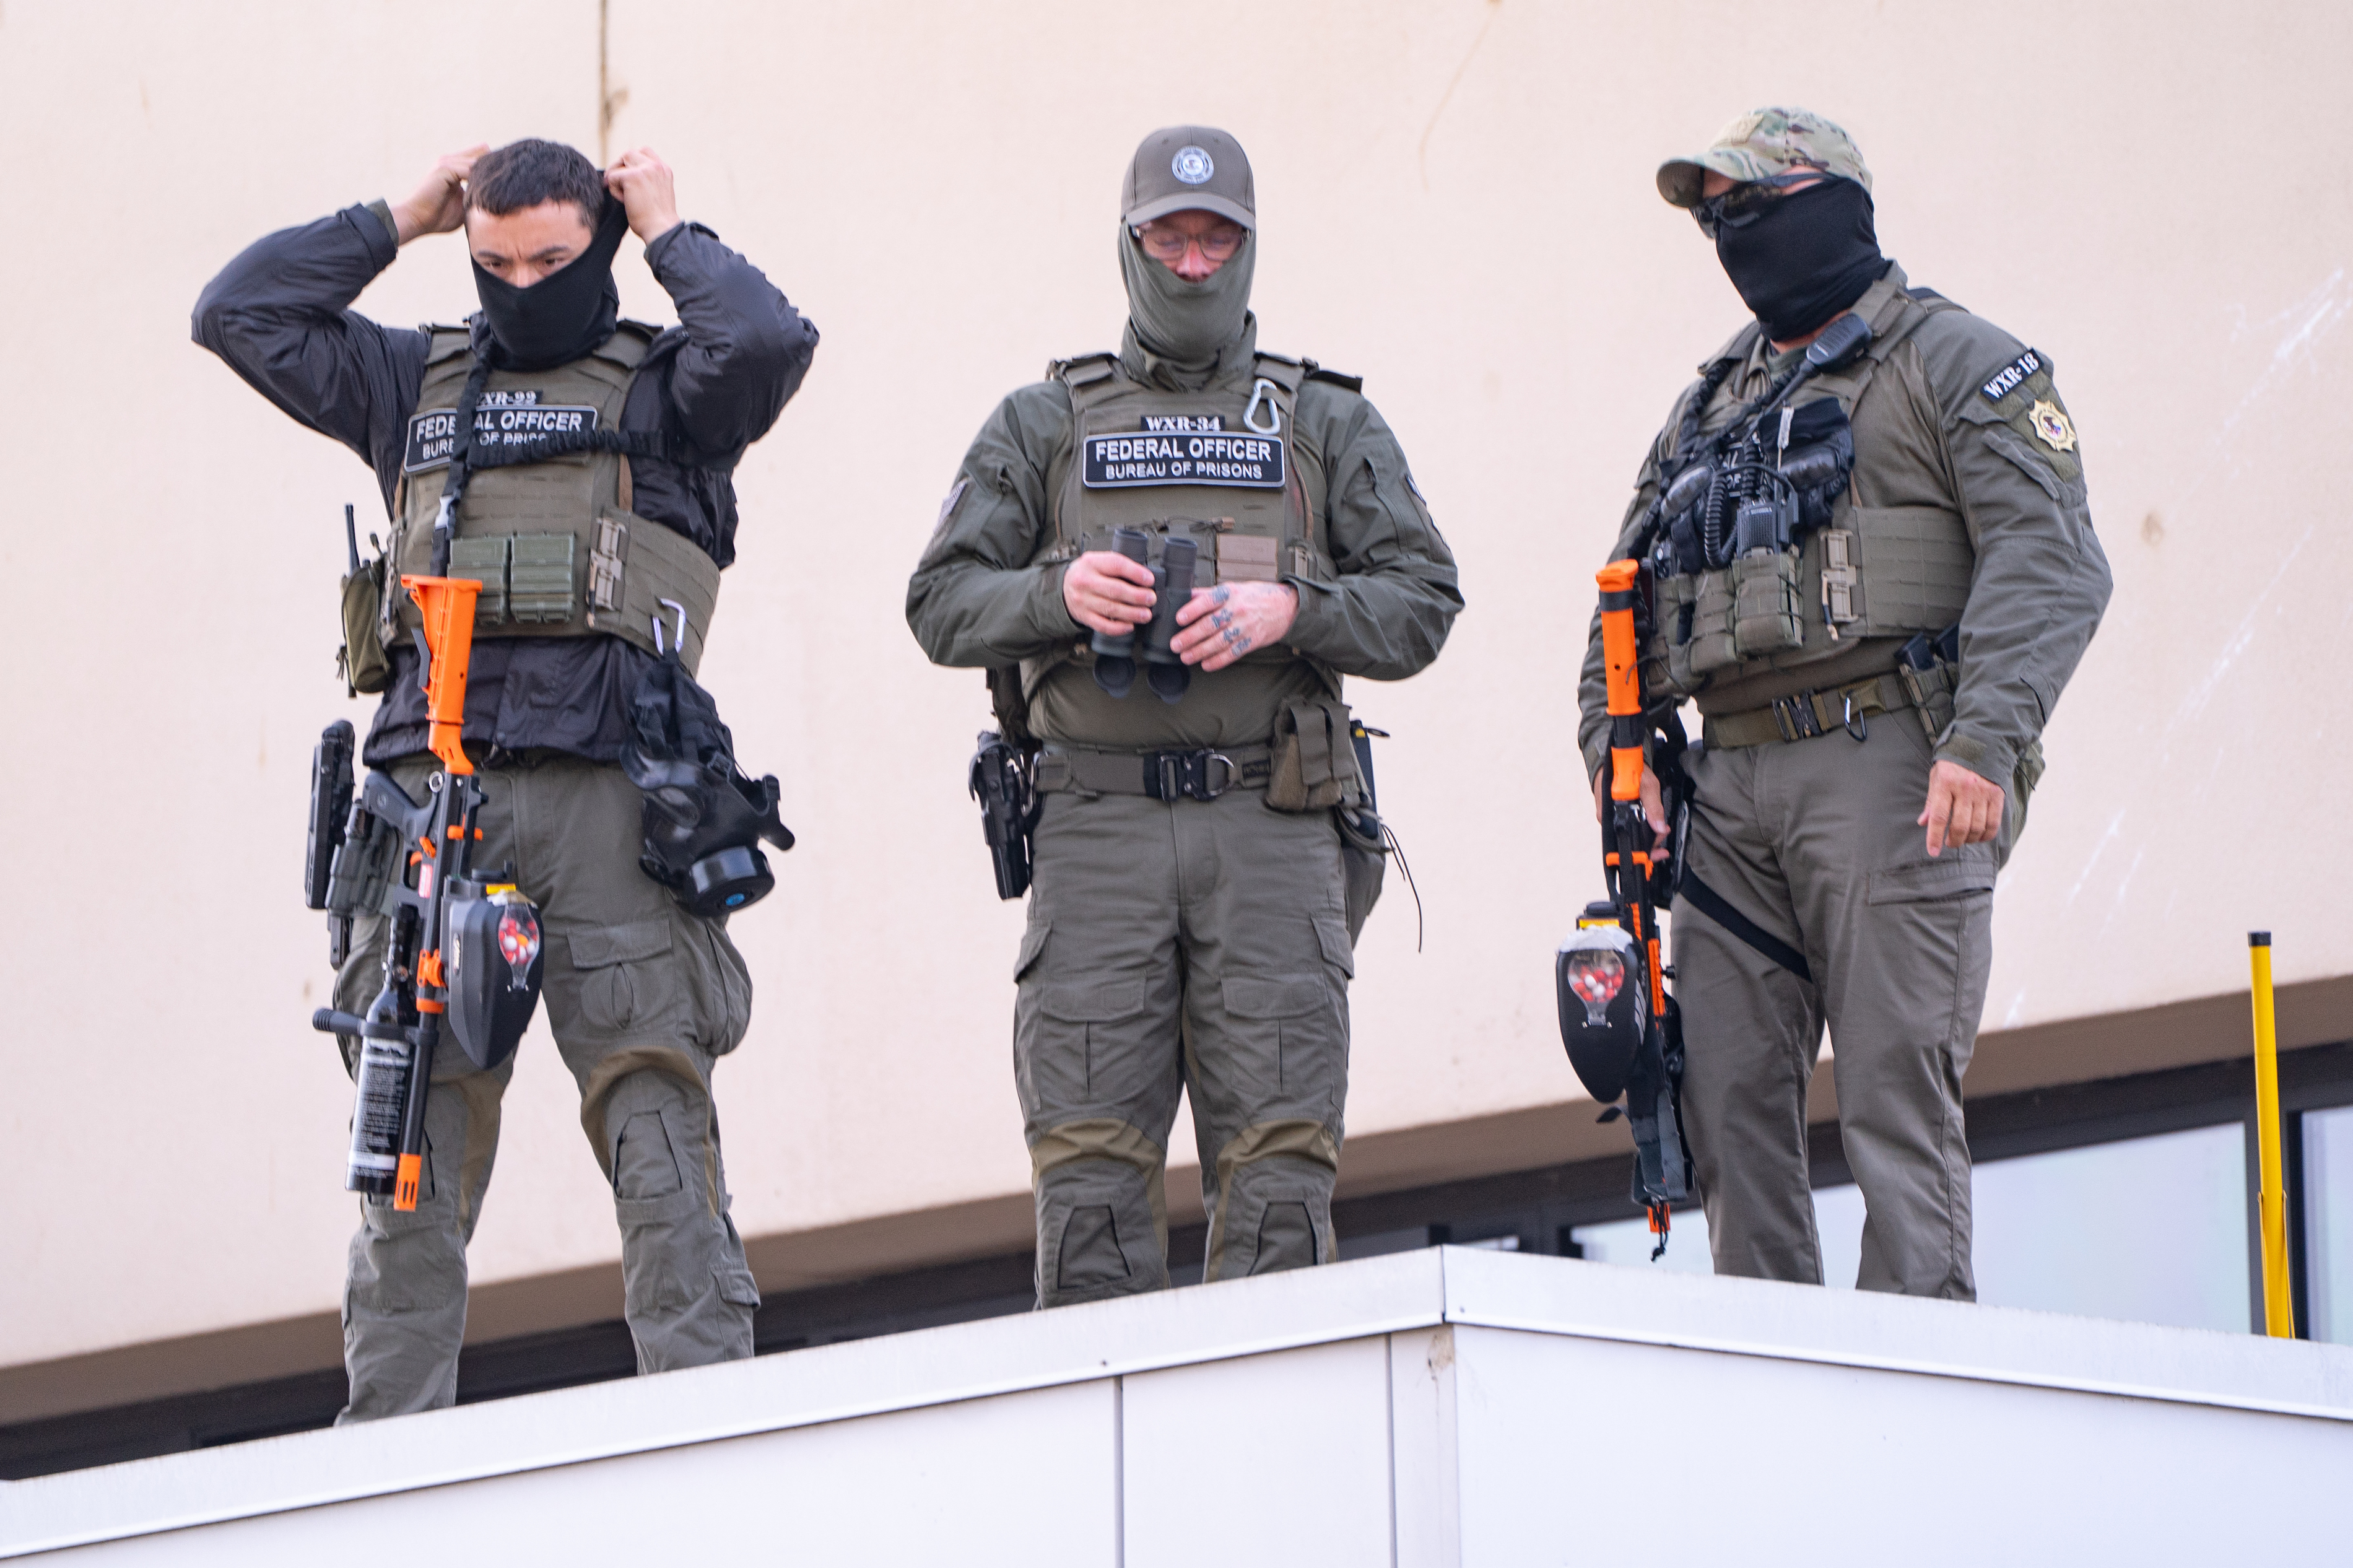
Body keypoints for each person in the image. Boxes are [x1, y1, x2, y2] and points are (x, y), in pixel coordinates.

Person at [194, 139, 817, 1418]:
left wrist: (668, 233)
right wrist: (399, 216)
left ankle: (708, 1429)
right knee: (406, 1142)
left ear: (596, 239)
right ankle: (387, 1457)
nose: (522, 285)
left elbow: (763, 340)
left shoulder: (673, 385)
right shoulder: (407, 379)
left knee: (657, 1117)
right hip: (434, 806)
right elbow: (237, 313)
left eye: (551, 258)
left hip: (616, 801)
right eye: (494, 264)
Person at [908, 126, 1461, 1306]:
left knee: (1278, 1177)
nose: (1195, 263)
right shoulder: (1042, 423)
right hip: (1093, 831)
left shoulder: (1324, 424)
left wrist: (1288, 610)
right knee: (1091, 1182)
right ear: (1131, 245)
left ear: (1250, 250)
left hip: (1273, 825)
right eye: (1173, 236)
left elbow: (1424, 605)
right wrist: (1055, 594)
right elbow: (938, 604)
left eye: (1218, 239)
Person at [1578, 108, 2111, 1297]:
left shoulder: (1957, 362)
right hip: (1728, 789)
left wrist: (1985, 738)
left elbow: (2054, 558)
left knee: (1892, 1103)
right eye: (1718, 215)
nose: (1734, 232)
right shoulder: (1711, 404)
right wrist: (1624, 777)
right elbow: (1624, 600)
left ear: (1839, 202)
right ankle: (1776, 1391)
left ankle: (1917, 1392)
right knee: (1722, 1104)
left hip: (1894, 768)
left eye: (1758, 204)